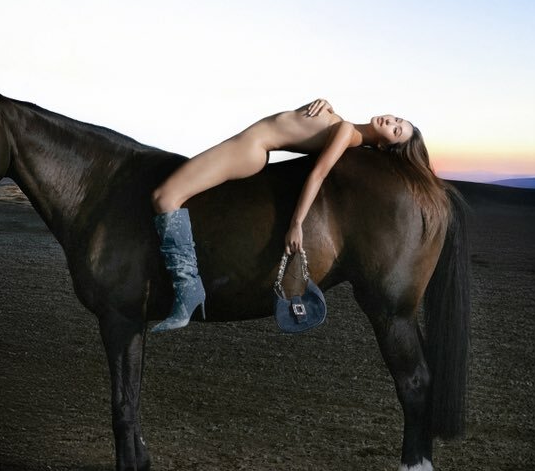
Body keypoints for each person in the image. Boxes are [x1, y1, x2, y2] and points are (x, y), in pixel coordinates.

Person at [150, 100, 434, 332]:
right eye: (397, 119)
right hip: (247, 144)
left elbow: (318, 175)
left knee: (165, 197)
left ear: (383, 147)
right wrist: (328, 106)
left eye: (396, 130)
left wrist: (297, 224)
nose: (391, 121)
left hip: (249, 148)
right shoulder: (345, 126)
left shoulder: (347, 132)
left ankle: (187, 286)